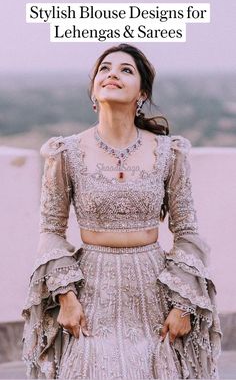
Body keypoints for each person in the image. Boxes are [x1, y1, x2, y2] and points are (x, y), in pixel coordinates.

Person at [22, 43, 222, 379]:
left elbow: (187, 232)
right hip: (91, 291)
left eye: (126, 70)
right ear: (94, 91)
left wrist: (183, 303)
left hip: (154, 289)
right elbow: (51, 231)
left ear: (141, 93)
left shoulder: (169, 153)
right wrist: (66, 298)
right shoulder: (65, 152)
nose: (113, 73)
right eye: (105, 68)